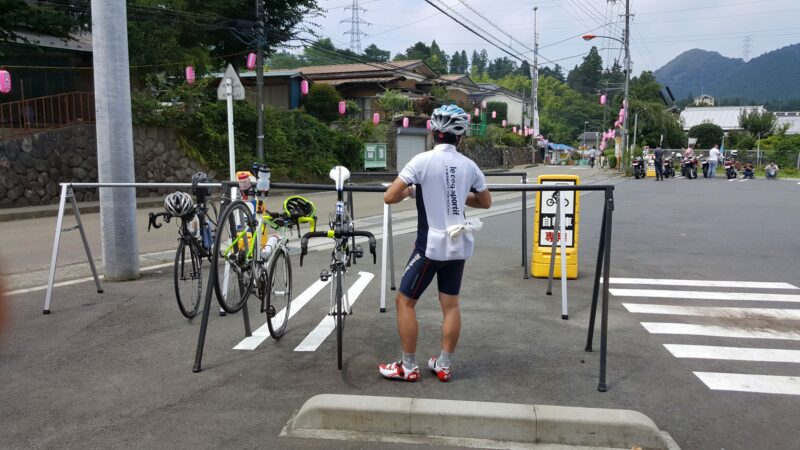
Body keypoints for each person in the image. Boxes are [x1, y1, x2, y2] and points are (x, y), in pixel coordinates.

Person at [379, 105, 492, 383]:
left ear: (434, 133)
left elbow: (390, 197)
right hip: (458, 244)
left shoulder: (421, 160)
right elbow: (485, 202)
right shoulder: (470, 166)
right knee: (450, 305)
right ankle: (444, 364)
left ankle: (408, 366)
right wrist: (456, 193)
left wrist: (412, 190)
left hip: (429, 246)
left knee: (404, 301)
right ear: (460, 137)